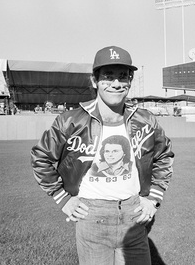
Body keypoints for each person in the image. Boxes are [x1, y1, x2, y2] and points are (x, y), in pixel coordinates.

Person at [31, 46, 174, 265]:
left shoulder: (145, 119)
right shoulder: (71, 121)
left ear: (130, 80)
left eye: (123, 76)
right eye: (108, 76)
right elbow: (41, 157)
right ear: (94, 80)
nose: (116, 83)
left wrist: (153, 199)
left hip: (134, 215)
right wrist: (63, 199)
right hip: (92, 216)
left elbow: (163, 156)